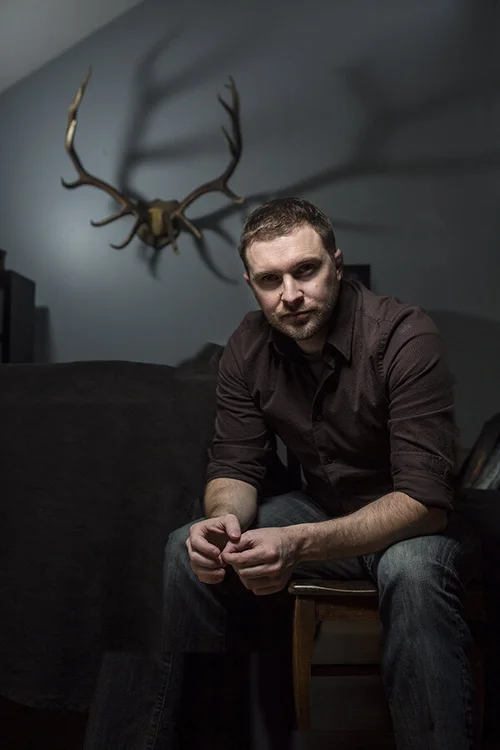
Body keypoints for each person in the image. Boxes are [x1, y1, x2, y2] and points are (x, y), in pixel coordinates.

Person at [85, 197, 482, 750]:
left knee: (412, 570)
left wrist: (296, 544)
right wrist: (223, 519)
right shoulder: (246, 346)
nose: (290, 295)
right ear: (251, 283)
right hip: (322, 509)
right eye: (270, 280)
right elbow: (235, 465)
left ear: (336, 265)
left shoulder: (405, 335)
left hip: (409, 524)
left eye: (306, 270)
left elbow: (424, 501)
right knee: (187, 547)